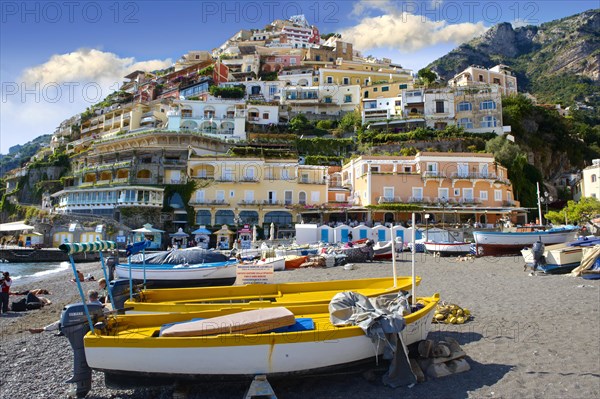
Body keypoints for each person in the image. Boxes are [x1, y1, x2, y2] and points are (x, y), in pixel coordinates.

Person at [28, 290, 102, 334]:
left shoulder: (90, 305)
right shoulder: (98, 304)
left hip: (84, 321)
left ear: (89, 297)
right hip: (88, 319)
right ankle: (43, 329)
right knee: (62, 320)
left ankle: (42, 329)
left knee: (62, 321)